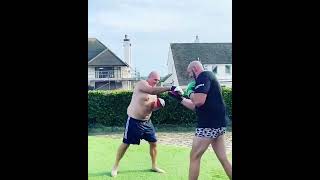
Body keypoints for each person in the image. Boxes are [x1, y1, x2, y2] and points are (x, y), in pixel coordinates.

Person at [111, 71, 183, 177]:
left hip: (147, 122)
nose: (156, 82)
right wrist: (171, 87)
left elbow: (151, 108)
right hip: (134, 121)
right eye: (155, 80)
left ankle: (154, 166)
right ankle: (115, 166)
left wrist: (159, 105)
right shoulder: (141, 84)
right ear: (149, 78)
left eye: (158, 81)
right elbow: (152, 90)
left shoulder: (154, 93)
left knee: (153, 143)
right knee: (126, 143)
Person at [168, 61, 232, 180]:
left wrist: (190, 92)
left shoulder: (204, 76)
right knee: (223, 158)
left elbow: (198, 101)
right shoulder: (209, 78)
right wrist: (180, 98)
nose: (190, 76)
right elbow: (195, 106)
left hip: (208, 126)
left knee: (194, 157)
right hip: (218, 125)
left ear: (195, 69)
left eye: (190, 73)